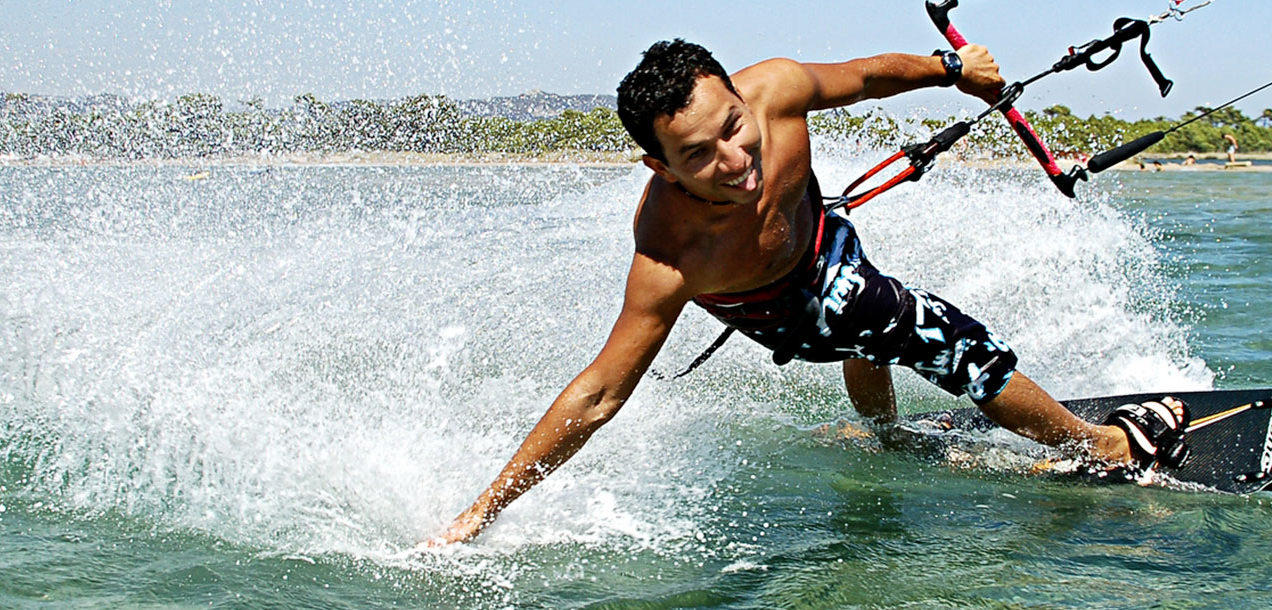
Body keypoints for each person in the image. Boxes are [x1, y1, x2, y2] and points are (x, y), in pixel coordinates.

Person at [425, 40, 1185, 547]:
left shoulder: (776, 91)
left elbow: (863, 79)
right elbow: (598, 394)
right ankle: (1104, 448)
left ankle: (883, 433)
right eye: (698, 155)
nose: (735, 159)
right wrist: (482, 513)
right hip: (777, 304)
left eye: (733, 126)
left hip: (825, 236)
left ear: (738, 96)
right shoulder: (671, 256)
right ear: (659, 168)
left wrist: (952, 71)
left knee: (868, 315)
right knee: (918, 327)